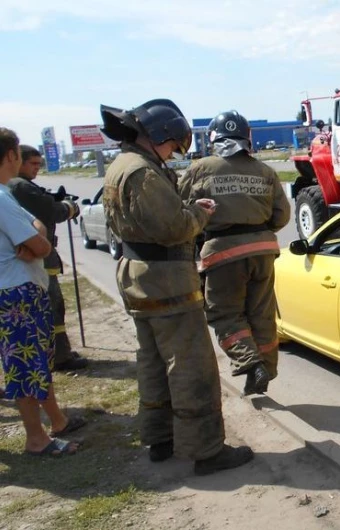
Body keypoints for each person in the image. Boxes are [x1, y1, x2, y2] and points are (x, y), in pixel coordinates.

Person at [98, 99, 253, 475]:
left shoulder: (121, 165)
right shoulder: (144, 172)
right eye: (170, 145)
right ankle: (207, 450)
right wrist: (200, 213)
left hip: (138, 277)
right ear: (157, 135)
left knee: (152, 362)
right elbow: (174, 229)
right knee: (191, 366)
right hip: (166, 280)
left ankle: (160, 439)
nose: (172, 153)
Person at [179, 110, 290, 396]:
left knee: (225, 314)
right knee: (261, 314)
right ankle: (266, 367)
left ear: (214, 138)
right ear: (247, 138)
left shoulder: (201, 168)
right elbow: (282, 215)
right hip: (263, 251)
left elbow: (180, 208)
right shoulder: (265, 171)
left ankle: (251, 364)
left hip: (223, 253)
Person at [0, 127, 86, 457]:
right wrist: (38, 242)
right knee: (24, 366)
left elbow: (36, 228)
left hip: (20, 289)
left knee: (38, 361)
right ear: (11, 155)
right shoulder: (2, 198)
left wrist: (36, 241)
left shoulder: (7, 193)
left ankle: (57, 421)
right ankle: (36, 438)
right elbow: (39, 239)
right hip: (16, 293)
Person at [8, 144, 88, 372]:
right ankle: (59, 357)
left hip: (36, 255)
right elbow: (52, 212)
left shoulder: (16, 186)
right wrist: (69, 207)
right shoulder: (20, 186)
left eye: (39, 164)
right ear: (17, 161)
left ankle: (58, 351)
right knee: (53, 304)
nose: (36, 169)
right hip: (39, 257)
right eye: (33, 164)